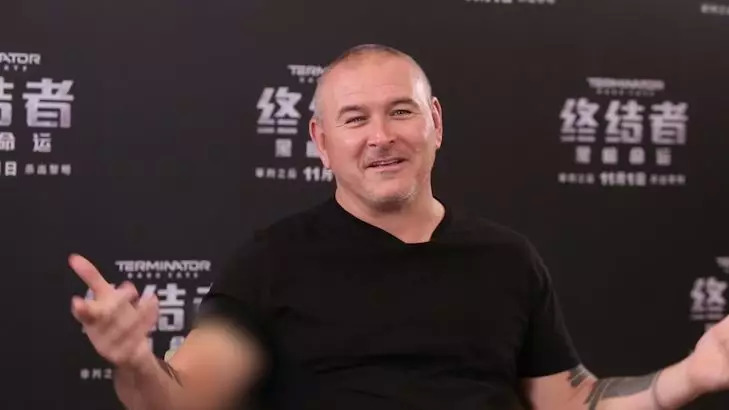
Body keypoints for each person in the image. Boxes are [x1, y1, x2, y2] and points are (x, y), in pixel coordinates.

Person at [70, 44, 729, 410]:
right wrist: (134, 362)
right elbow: (182, 402)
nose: (380, 136)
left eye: (400, 112)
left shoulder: (506, 258)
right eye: (355, 119)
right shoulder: (274, 262)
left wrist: (688, 377)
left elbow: (571, 404)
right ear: (321, 142)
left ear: (434, 122)